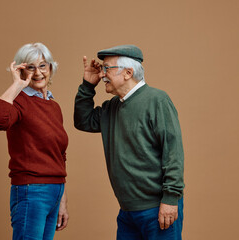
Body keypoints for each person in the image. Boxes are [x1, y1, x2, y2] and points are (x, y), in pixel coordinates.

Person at [74, 45, 184, 240]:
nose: (102, 74)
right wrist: (88, 85)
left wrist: (170, 199)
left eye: (107, 68)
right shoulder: (112, 107)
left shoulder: (157, 100)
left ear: (127, 73)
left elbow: (173, 151)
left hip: (157, 208)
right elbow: (83, 121)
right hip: (127, 211)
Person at [0, 42, 69, 240]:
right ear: (21, 71)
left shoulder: (53, 106)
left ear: (50, 68)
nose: (38, 72)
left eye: (42, 65)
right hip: (31, 191)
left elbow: (59, 155)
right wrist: (16, 85)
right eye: (30, 67)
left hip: (54, 192)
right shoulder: (19, 101)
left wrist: (62, 199)